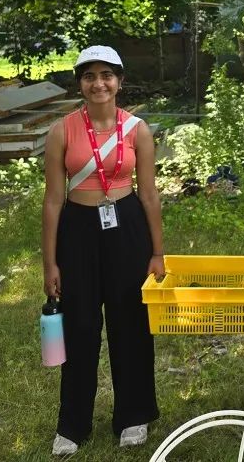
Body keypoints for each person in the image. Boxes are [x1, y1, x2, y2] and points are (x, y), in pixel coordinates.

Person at [41, 46, 163, 455]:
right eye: (90, 76)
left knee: (131, 321)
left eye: (107, 75)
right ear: (80, 83)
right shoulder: (63, 130)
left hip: (126, 226)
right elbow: (53, 200)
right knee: (80, 325)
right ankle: (72, 424)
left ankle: (133, 416)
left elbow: (148, 195)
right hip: (78, 229)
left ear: (120, 81)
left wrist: (157, 252)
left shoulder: (138, 130)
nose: (99, 83)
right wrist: (50, 261)